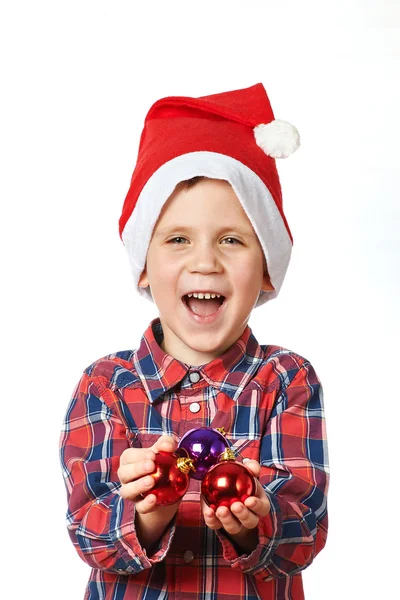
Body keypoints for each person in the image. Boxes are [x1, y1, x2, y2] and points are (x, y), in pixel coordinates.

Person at [59, 83, 329, 600]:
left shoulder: (287, 379)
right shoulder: (104, 385)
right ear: (143, 267)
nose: (205, 261)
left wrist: (253, 519)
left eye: (231, 239)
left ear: (268, 271)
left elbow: (305, 533)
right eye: (178, 239)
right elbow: (87, 531)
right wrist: (149, 511)